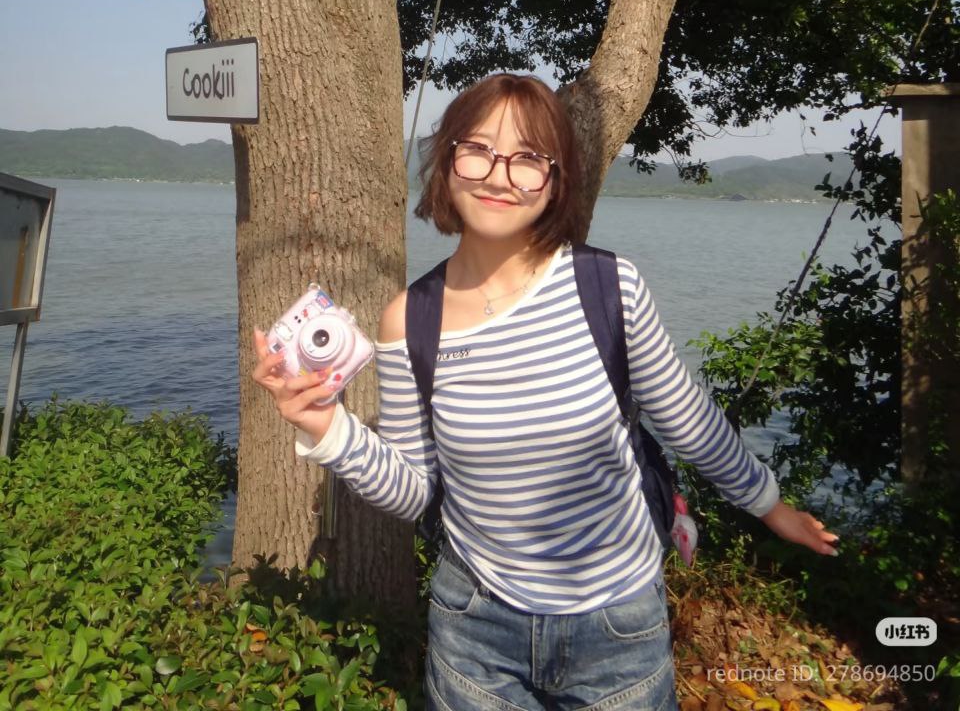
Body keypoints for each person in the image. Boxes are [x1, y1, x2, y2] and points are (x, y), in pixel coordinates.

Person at [254, 73, 838, 711]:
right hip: (475, 629)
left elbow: (687, 419)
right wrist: (326, 428)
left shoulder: (608, 288)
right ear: (447, 162)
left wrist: (768, 504)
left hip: (618, 625)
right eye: (478, 150)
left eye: (528, 158)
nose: (499, 176)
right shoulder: (410, 319)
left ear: (555, 180)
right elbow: (414, 488)